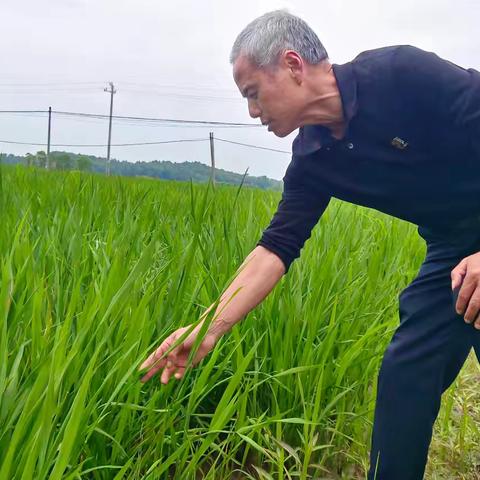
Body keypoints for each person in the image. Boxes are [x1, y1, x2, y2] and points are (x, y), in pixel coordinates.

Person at [138, 10, 480, 479]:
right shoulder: (315, 157)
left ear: (293, 65)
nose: (252, 112)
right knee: (408, 373)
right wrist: (209, 327)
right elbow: (275, 248)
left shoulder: (401, 75)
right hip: (454, 246)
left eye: (253, 94)